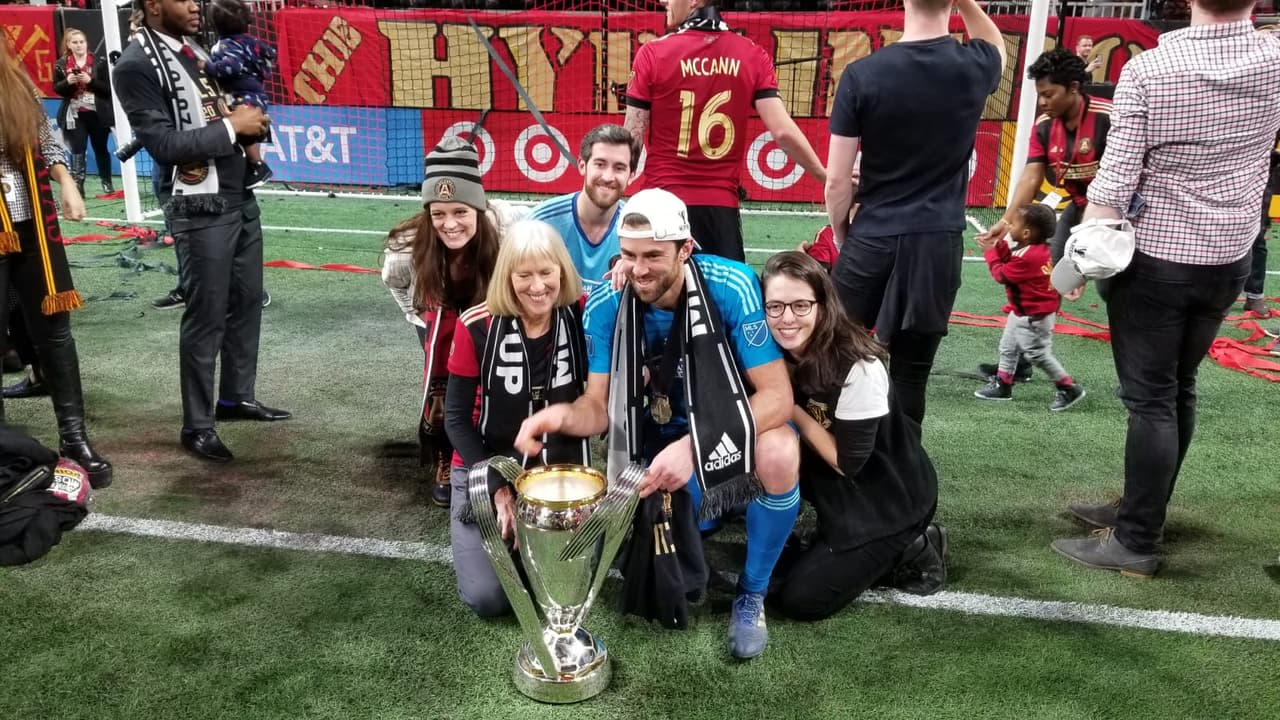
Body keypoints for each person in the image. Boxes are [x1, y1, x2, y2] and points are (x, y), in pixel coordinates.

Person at [514, 188, 801, 660]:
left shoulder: (731, 285)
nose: (639, 269)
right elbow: (596, 405)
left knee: (780, 452)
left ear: (685, 249)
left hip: (722, 440)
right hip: (652, 448)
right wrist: (561, 417)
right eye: (629, 254)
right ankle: (706, 511)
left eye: (653, 255)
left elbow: (779, 398)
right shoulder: (608, 301)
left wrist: (696, 446)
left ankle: (752, 593)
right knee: (658, 550)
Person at [1050, 0, 1280, 578]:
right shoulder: (1275, 59)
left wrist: (1076, 259)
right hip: (1230, 256)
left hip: (1156, 259)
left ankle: (1135, 540)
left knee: (1151, 399)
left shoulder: (1151, 68)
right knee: (1180, 387)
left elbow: (1117, 176)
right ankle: (1142, 509)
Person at [115, 0, 288, 464]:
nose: (196, 5)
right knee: (206, 314)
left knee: (247, 298)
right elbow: (165, 145)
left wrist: (243, 123)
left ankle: (236, 397)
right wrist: (235, 126)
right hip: (200, 204)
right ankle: (197, 424)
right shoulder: (134, 65)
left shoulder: (193, 49)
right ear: (153, 5)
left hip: (237, 193)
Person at [824, 0, 1007, 427]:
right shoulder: (974, 65)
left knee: (831, 355)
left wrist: (841, 232)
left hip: (874, 235)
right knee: (910, 376)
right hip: (937, 242)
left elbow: (836, 181)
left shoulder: (862, 74)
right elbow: (993, 42)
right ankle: (905, 479)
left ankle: (837, 465)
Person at [761, 252, 944, 621]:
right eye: (775, 306)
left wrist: (785, 403)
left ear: (823, 305)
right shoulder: (770, 350)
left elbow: (848, 463)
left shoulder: (859, 366)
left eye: (800, 305)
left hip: (885, 498)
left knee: (799, 602)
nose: (786, 318)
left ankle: (916, 545)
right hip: (833, 483)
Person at [443, 220, 589, 617]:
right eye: (524, 275)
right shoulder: (476, 325)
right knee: (490, 599)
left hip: (557, 471)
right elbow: (455, 418)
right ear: (507, 276)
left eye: (547, 272)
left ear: (562, 270)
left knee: (561, 586)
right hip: (486, 465)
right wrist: (497, 488)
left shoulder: (583, 312)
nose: (537, 286)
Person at [622, 0, 825, 262]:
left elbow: (631, 140)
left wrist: (607, 189)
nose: (663, 1)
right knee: (726, 296)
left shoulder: (653, 53)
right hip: (720, 210)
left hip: (662, 203)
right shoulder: (752, 54)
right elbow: (783, 133)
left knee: (653, 293)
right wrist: (825, 177)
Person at [0, 36, 112, 488]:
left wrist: (66, 180)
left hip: (31, 224)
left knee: (56, 333)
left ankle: (75, 439)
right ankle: (3, 448)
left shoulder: (14, 78)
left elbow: (43, 136)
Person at [381, 137, 517, 507]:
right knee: (443, 392)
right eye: (438, 214)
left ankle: (500, 447)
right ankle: (444, 453)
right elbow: (393, 284)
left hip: (487, 314)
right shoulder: (407, 247)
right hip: (438, 319)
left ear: (478, 206)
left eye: (460, 212)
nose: (449, 224)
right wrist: (420, 321)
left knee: (497, 385)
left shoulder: (505, 225)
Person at [975, 49, 1113, 383]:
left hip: (1114, 215)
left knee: (1114, 291)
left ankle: (1142, 377)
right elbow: (1031, 177)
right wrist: (1008, 225)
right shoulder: (1044, 126)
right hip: (1077, 206)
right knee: (1045, 276)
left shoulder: (1110, 117)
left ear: (1075, 87)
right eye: (1040, 95)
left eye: (1049, 94)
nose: (1042, 102)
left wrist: (1089, 254)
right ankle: (1020, 362)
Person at [974, 203, 1085, 410]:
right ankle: (1003, 384)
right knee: (1008, 347)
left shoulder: (1029, 258)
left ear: (1025, 232)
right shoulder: (1035, 249)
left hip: (1034, 317)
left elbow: (1002, 274)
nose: (1010, 227)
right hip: (1022, 312)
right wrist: (998, 246)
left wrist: (990, 253)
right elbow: (1011, 259)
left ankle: (1068, 388)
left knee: (1038, 354)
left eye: (1013, 224)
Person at [527, 123, 639, 295]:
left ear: (631, 175)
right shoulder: (539, 223)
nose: (608, 177)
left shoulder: (638, 230)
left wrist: (636, 271)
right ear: (582, 165)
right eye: (600, 164)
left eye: (619, 168)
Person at [204, 0, 275, 189]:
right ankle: (250, 166)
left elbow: (232, 66)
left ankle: (258, 166)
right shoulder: (249, 42)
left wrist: (207, 67)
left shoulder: (228, 45)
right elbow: (269, 55)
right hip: (256, 94)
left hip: (245, 96)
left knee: (242, 130)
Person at [52, 28, 115, 197]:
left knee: (100, 148)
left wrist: (91, 81)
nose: (79, 45)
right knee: (77, 149)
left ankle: (106, 182)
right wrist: (68, 82)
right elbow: (57, 89)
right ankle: (78, 185)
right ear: (68, 45)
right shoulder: (61, 64)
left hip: (97, 113)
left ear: (86, 43)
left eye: (82, 42)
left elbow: (108, 90)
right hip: (74, 114)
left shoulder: (99, 62)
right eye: (75, 42)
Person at [1241, 134, 1278, 318]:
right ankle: (1204, 299)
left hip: (1260, 176)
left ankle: (1255, 295)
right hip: (1224, 169)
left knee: (1257, 237)